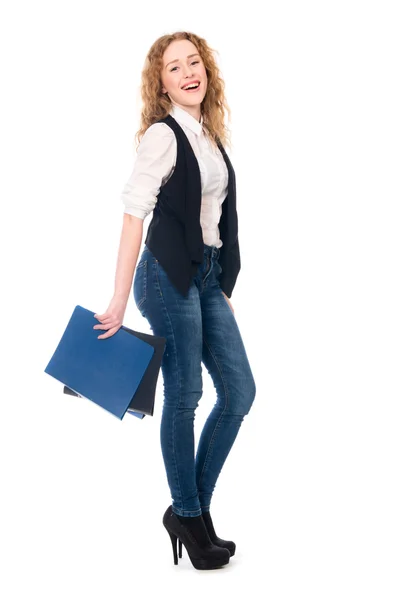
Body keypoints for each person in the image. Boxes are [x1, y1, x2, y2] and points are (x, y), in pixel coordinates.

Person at [93, 31, 256, 570]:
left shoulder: (209, 135)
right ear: (160, 84)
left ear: (206, 70)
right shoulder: (163, 136)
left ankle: (188, 513)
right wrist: (119, 298)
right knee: (185, 392)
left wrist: (222, 290)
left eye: (194, 62)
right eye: (173, 67)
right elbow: (133, 214)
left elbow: (213, 220)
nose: (188, 72)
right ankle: (191, 516)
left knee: (238, 392)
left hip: (205, 278)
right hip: (165, 275)